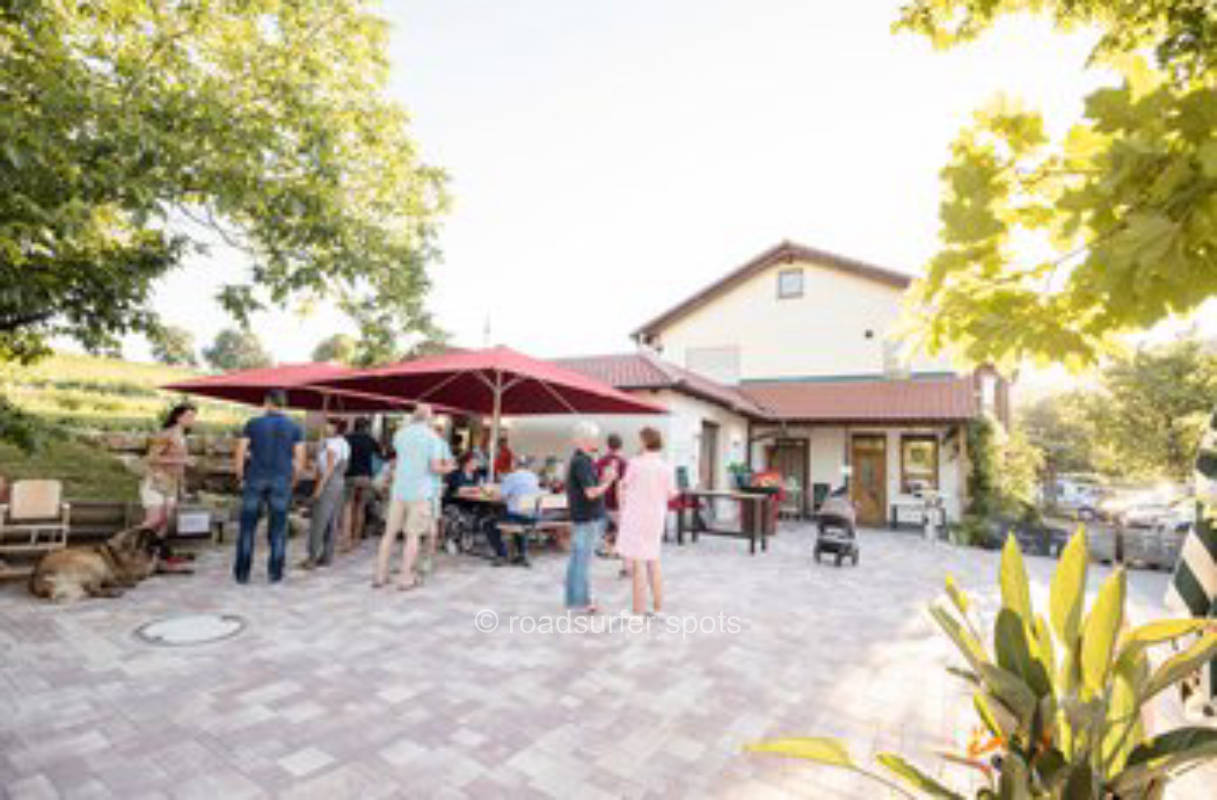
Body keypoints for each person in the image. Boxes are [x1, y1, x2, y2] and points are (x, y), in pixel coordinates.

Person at [233, 389, 305, 584]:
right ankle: (275, 573)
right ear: (284, 404)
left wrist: (240, 475)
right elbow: (300, 459)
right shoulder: (294, 427)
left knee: (247, 527)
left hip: (255, 478)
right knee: (278, 528)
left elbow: (240, 452)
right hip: (281, 480)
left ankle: (242, 574)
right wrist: (295, 480)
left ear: (267, 402)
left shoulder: (253, 424)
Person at [374, 404, 446, 590]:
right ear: (429, 418)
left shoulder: (400, 434)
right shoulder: (433, 438)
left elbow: (400, 458)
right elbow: (435, 467)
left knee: (389, 534)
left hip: (399, 491)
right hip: (420, 492)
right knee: (412, 536)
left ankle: (380, 576)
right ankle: (406, 577)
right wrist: (449, 468)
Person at [616, 427, 677, 615]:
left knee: (638, 564)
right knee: (654, 560)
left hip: (637, 516)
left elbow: (624, 485)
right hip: (656, 517)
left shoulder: (635, 463)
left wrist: (621, 489)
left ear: (644, 442)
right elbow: (672, 494)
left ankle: (638, 610)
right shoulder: (666, 466)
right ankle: (658, 607)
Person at [564, 421, 618, 613]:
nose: (597, 441)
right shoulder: (583, 462)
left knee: (577, 560)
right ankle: (581, 603)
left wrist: (603, 478)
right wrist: (609, 482)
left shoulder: (581, 460)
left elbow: (591, 488)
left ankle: (575, 601)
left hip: (583, 516)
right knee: (582, 562)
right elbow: (591, 493)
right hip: (587, 517)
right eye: (594, 437)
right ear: (586, 439)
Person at [140, 402, 197, 567]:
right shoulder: (165, 434)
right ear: (177, 417)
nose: (192, 419)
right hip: (156, 481)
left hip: (172, 484)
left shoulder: (182, 437)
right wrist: (182, 460)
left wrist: (183, 485)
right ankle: (128, 545)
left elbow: (179, 465)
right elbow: (151, 458)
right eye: (189, 416)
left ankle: (156, 557)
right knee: (154, 520)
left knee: (165, 521)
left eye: (193, 416)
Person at [301, 418, 349, 569]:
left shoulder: (332, 444)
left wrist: (319, 489)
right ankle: (327, 556)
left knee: (319, 520)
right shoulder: (344, 443)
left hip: (329, 482)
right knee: (332, 520)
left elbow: (328, 469)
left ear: (336, 428)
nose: (326, 427)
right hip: (339, 482)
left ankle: (312, 558)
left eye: (329, 425)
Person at [487, 454, 541, 567]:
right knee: (518, 518)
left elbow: (501, 496)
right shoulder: (534, 477)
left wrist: (491, 493)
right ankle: (522, 554)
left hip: (517, 517)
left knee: (489, 523)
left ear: (514, 465)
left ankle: (501, 554)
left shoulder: (511, 477)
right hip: (533, 517)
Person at [341, 417, 383, 551]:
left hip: (350, 475)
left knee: (348, 507)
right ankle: (356, 539)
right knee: (360, 507)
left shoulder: (347, 438)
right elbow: (381, 454)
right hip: (365, 476)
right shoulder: (370, 440)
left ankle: (346, 540)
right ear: (366, 427)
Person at [424, 418, 456, 574]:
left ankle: (424, 559)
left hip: (423, 489)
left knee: (426, 526)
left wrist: (439, 468)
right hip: (428, 489)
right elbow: (451, 466)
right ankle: (426, 560)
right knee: (430, 524)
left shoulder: (437, 444)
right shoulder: (439, 444)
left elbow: (451, 465)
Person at [595, 433, 628, 561]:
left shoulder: (601, 461)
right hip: (617, 500)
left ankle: (609, 548)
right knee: (620, 527)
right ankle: (617, 550)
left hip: (602, 498)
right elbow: (625, 483)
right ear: (621, 446)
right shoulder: (624, 462)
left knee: (608, 527)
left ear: (607, 445)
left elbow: (596, 478)